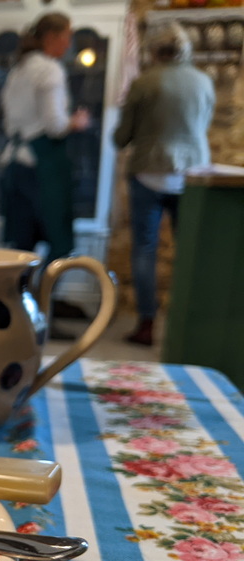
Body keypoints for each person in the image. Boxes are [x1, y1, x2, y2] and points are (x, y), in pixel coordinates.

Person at [112, 22, 214, 347]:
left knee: (145, 248)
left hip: (149, 170)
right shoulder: (203, 83)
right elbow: (203, 124)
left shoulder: (145, 83)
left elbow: (122, 137)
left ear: (154, 50)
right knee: (190, 250)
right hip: (193, 173)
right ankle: (189, 321)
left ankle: (146, 324)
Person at [0, 13, 91, 330]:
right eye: (67, 36)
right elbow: (54, 125)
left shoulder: (19, 69)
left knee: (22, 244)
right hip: (42, 167)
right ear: (53, 38)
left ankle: (17, 309)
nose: (69, 44)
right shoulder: (49, 69)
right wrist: (76, 122)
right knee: (59, 241)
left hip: (15, 164)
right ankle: (41, 306)